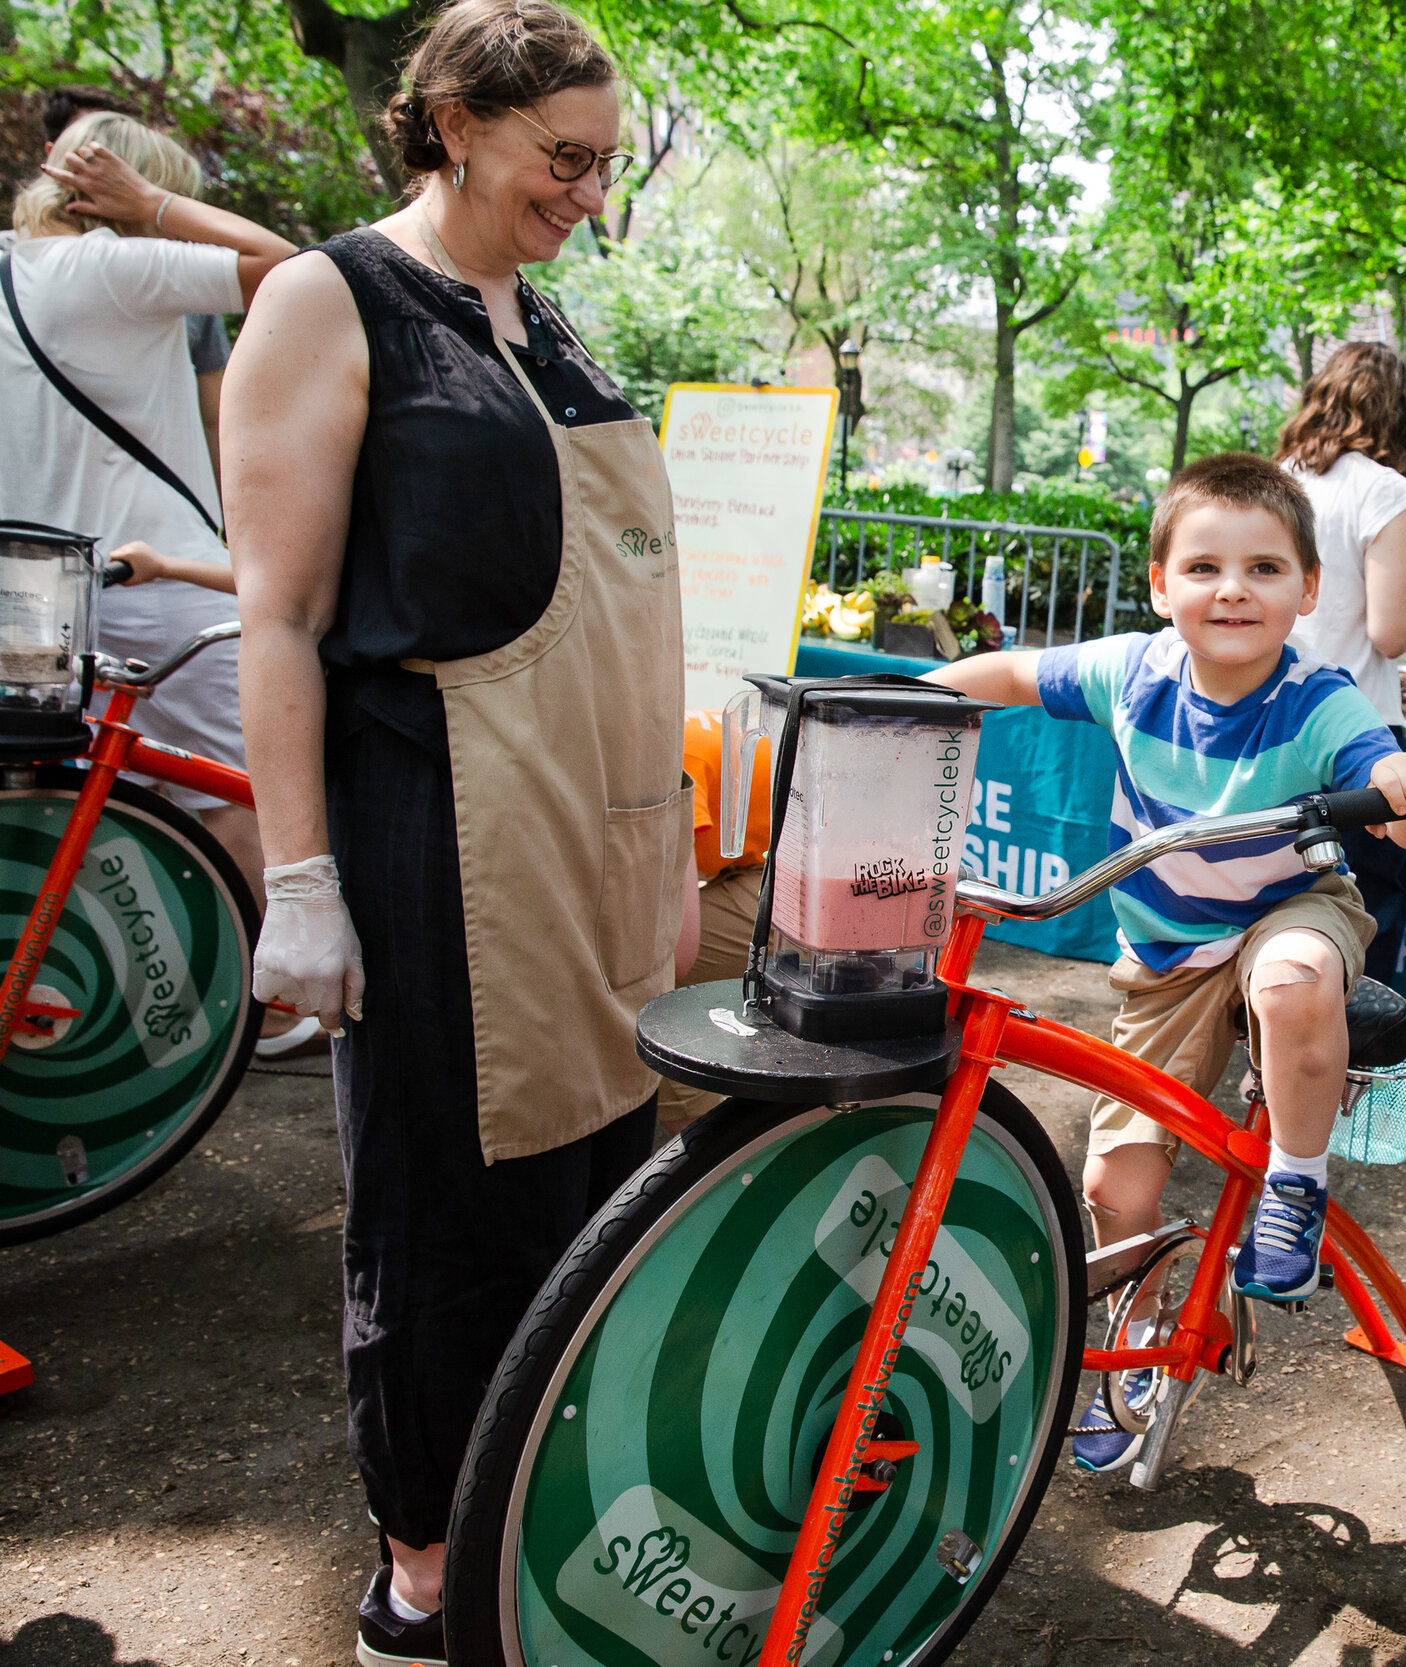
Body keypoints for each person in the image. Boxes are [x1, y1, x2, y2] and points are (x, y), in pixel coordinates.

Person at [223, 3, 681, 1660]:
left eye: (602, 166)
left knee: (585, 1208)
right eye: (563, 158)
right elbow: (278, 615)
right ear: (453, 123)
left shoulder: (546, 323)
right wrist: (299, 881)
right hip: (434, 840)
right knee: (442, 1222)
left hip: (589, 847)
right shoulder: (330, 303)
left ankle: (536, 1515)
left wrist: (665, 851)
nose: (585, 193)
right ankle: (423, 1574)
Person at [929, 453, 1406, 1475]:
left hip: (1286, 906)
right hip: (1165, 953)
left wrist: (1405, 780)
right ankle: (1131, 1351)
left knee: (1293, 977)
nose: (1232, 589)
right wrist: (902, 704)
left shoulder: (1320, 697)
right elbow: (1006, 674)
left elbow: (1397, 796)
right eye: (1205, 566)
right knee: (1118, 1186)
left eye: (1264, 568)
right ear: (1161, 584)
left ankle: (1293, 1184)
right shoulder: (1130, 670)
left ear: (1309, 590)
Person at [1, 112, 302, 1047]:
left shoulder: (10, 268)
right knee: (239, 788)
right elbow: (288, 270)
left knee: (86, 799)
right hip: (157, 584)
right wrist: (158, 211)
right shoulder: (111, 267)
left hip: (38, 596)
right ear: (122, 192)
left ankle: (113, 1000)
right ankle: (266, 1010)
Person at [1275, 342, 1406, 981]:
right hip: (1356, 732)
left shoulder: (1276, 479)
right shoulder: (1386, 492)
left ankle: (1269, 1071)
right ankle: (1356, 1080)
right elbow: (1392, 634)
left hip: (1268, 722)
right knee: (1363, 916)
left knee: (1273, 913)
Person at [32, 86, 237, 478]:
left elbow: (214, 416)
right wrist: (159, 205)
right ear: (54, 157)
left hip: (149, 517)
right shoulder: (18, 265)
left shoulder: (179, 279)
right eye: (89, 152)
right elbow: (284, 261)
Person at [662, 706, 774, 1136]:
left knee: (654, 982)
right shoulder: (663, 733)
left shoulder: (671, 761)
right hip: (773, 859)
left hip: (811, 877)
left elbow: (675, 952)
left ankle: (700, 1141)